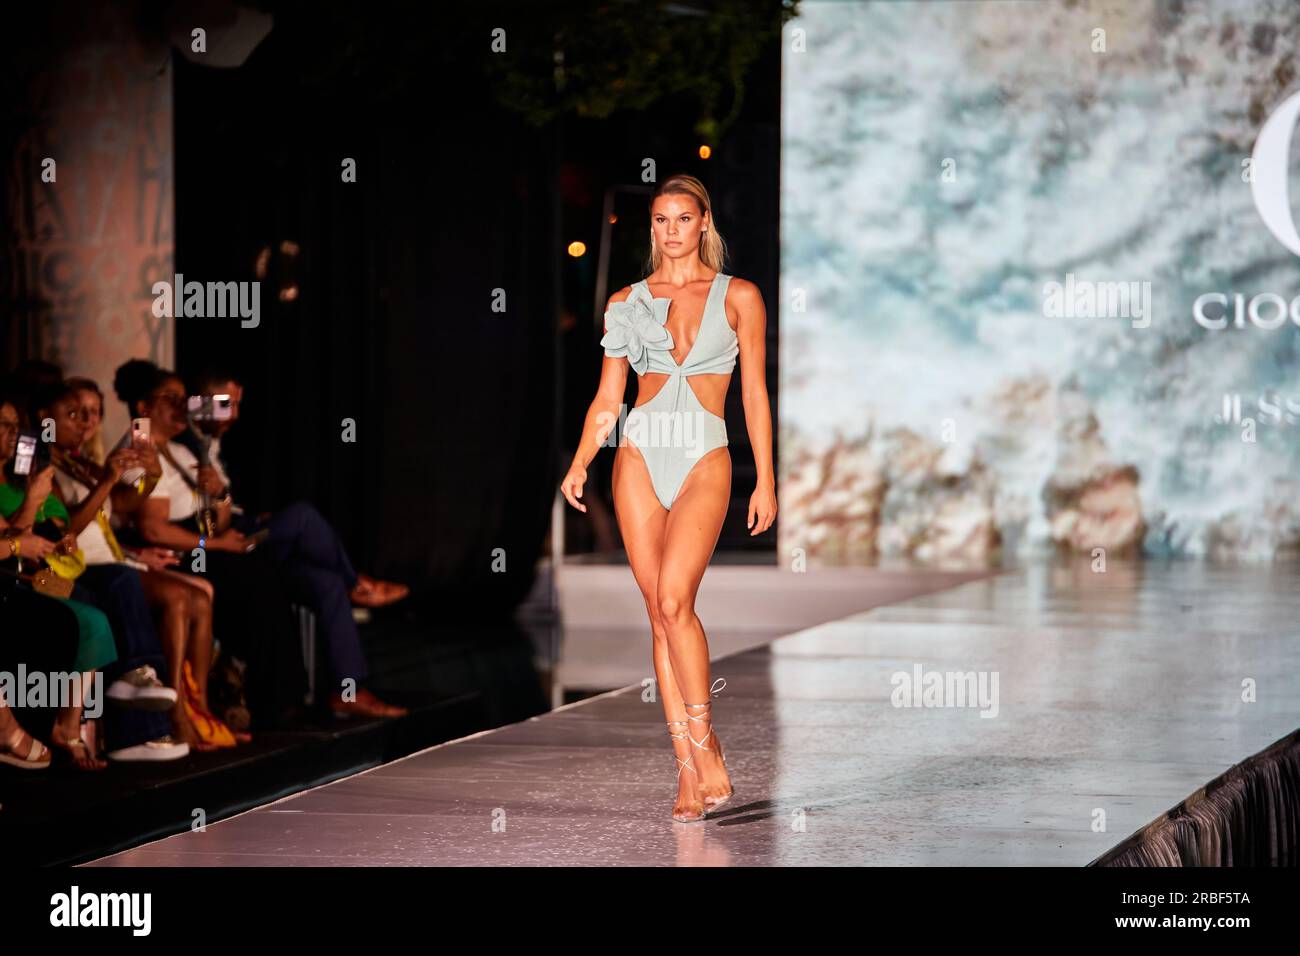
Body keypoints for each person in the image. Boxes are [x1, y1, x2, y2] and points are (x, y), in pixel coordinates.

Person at [559, 174, 777, 823]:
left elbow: (755, 394)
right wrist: (579, 463)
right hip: (638, 454)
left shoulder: (740, 297)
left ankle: (707, 745)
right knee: (657, 610)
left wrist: (765, 477)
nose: (671, 231)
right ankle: (687, 771)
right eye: (661, 220)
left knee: (678, 599)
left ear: (704, 222)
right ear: (651, 226)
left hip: (704, 455)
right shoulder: (627, 301)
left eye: (683, 219)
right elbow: (609, 397)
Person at [177, 369, 408, 718]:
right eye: (227, 404)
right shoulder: (183, 445)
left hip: (241, 533)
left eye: (238, 404)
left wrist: (226, 501)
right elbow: (203, 527)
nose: (234, 414)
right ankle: (357, 584)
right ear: (198, 405)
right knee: (301, 517)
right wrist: (224, 515)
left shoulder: (213, 442)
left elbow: (219, 510)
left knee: (325, 583)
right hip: (217, 548)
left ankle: (349, 689)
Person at [40, 380, 243, 750]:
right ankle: (168, 712)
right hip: (77, 568)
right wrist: (110, 480)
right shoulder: (44, 465)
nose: (87, 422)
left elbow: (123, 504)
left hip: (114, 558)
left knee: (197, 595)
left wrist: (148, 477)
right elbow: (67, 529)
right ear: (44, 418)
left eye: (93, 414)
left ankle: (193, 709)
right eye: (75, 413)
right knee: (172, 595)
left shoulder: (78, 462)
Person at [114, 360, 313, 729]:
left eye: (182, 399)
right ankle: (253, 699)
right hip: (175, 553)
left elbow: (217, 518)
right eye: (169, 399)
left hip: (202, 542)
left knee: (265, 572)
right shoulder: (139, 450)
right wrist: (214, 544)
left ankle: (276, 696)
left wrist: (220, 497)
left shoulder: (184, 452)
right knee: (250, 580)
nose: (180, 407)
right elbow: (154, 530)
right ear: (144, 408)